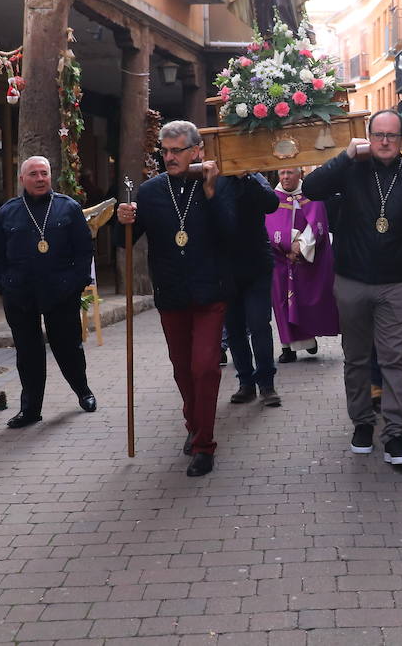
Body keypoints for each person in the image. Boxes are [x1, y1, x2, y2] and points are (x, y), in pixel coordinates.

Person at [302, 109, 402, 467]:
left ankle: (395, 434)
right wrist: (347, 154)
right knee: (358, 359)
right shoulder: (350, 171)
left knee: (395, 359)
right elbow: (312, 187)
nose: (384, 141)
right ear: (368, 135)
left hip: (395, 285)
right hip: (351, 282)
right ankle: (362, 423)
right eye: (378, 134)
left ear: (401, 139)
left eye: (392, 136)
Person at [116, 121, 238, 477]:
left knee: (204, 368)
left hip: (209, 292)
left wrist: (213, 193)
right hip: (171, 293)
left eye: (176, 151)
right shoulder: (151, 191)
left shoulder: (217, 183)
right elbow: (124, 241)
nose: (169, 158)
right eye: (164, 152)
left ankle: (204, 446)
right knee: (183, 370)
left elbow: (230, 234)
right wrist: (122, 221)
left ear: (196, 150)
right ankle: (194, 426)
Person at [0, 156, 97, 429]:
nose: (40, 179)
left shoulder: (68, 208)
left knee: (68, 347)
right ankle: (30, 409)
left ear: (51, 176)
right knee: (28, 354)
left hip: (60, 292)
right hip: (20, 294)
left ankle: (83, 391)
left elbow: (84, 251)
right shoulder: (8, 211)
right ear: (22, 179)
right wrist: (4, 284)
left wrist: (75, 283)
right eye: (34, 174)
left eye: (44, 173)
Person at [267, 166, 338, 363]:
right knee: (282, 302)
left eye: (289, 172)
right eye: (282, 173)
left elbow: (318, 224)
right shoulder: (274, 198)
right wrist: (288, 246)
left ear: (300, 174)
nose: (285, 176)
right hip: (281, 259)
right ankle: (287, 348)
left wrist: (301, 246)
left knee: (305, 300)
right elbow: (270, 227)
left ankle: (308, 339)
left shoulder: (311, 195)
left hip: (306, 257)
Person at [224, 172, 283, 407]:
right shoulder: (216, 180)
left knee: (259, 324)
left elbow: (271, 204)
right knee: (235, 329)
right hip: (227, 268)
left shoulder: (256, 179)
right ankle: (246, 383)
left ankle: (267, 385)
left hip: (257, 265)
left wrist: (247, 178)